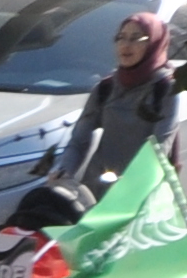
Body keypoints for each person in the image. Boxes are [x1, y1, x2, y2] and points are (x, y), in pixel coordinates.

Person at [65, 11, 181, 188]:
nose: (126, 45)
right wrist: (64, 172)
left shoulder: (165, 89)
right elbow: (79, 141)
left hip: (140, 191)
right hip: (97, 188)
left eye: (136, 38)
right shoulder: (105, 88)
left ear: (154, 44)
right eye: (121, 37)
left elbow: (159, 149)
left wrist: (130, 190)